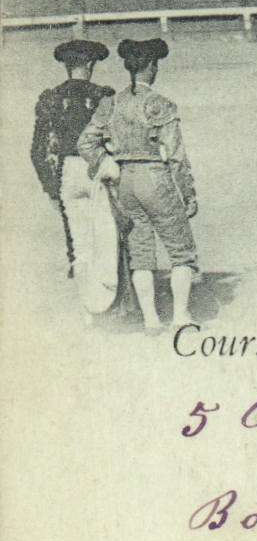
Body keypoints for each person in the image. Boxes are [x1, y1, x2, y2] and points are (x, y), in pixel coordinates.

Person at [77, 39, 200, 333]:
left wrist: (106, 164)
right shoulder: (160, 104)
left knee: (141, 251)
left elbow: (85, 143)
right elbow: (176, 156)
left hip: (124, 181)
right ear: (153, 67)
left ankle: (151, 320)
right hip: (155, 177)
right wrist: (189, 193)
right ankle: (181, 316)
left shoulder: (111, 103)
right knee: (180, 249)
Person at [31, 40, 120, 289]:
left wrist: (50, 188)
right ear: (91, 64)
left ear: (66, 66)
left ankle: (87, 311)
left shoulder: (52, 98)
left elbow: (38, 150)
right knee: (108, 236)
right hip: (98, 168)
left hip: (66, 173)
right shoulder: (103, 95)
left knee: (78, 244)